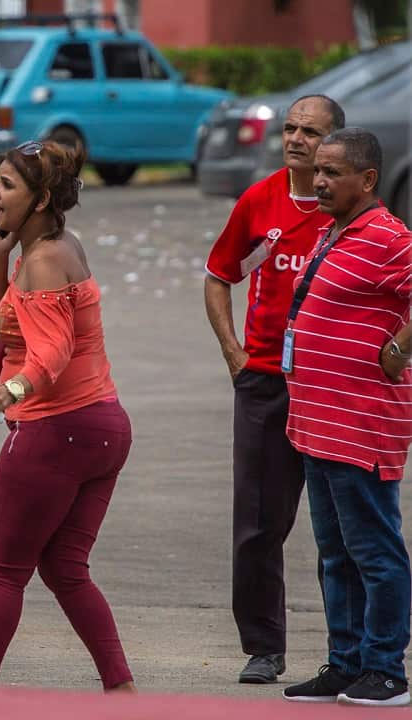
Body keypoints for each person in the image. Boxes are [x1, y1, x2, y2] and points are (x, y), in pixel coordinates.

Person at [0, 140, 134, 692]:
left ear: (39, 200)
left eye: (7, 185)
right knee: (64, 567)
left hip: (56, 432)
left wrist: (10, 390)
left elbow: (53, 352)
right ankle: (122, 691)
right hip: (103, 427)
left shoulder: (41, 262)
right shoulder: (55, 245)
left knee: (3, 574)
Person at [204, 95, 344, 684]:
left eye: (310, 132)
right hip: (264, 384)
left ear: (335, 142)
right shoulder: (258, 201)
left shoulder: (351, 213)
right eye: (290, 128)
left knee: (340, 527)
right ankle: (264, 646)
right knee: (258, 524)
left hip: (330, 385)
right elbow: (218, 276)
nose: (295, 140)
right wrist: (234, 354)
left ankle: (352, 653)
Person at [281, 128, 412, 707]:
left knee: (375, 553)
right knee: (335, 554)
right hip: (318, 422)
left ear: (368, 179)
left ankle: (386, 670)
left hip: (360, 424)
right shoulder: (331, 232)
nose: (319, 181)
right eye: (318, 170)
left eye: (333, 172)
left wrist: (400, 347)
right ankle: (346, 662)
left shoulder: (388, 237)